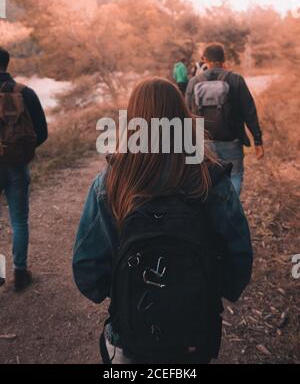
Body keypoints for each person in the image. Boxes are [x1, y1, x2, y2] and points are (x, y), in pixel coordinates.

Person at [73, 77, 252, 364]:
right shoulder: (210, 178)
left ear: (132, 122)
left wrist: (126, 287)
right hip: (195, 331)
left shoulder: (111, 182)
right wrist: (203, 287)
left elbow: (87, 269)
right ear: (182, 117)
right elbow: (239, 256)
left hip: (130, 333)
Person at [186, 43, 264, 196]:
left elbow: (187, 115)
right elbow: (250, 112)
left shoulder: (194, 82)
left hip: (204, 144)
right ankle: (230, 211)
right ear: (224, 59)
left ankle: (213, 215)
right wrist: (257, 140)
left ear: (204, 59)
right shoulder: (236, 80)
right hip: (231, 141)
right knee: (234, 175)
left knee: (208, 180)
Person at [0, 47, 48, 292]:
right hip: (17, 166)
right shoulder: (25, 92)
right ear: (6, 64)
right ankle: (20, 272)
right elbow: (42, 132)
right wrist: (21, 152)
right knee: (19, 220)